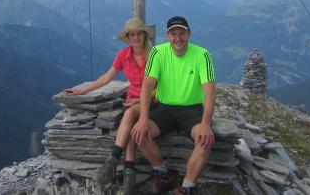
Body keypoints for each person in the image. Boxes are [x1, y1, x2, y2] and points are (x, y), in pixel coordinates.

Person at [62, 17, 154, 194]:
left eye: (138, 34)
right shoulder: (124, 55)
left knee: (127, 116)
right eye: (132, 35)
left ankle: (113, 161)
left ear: (144, 36)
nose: (135, 38)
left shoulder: (154, 55)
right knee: (131, 124)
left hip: (153, 100)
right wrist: (83, 91)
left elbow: (163, 84)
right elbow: (107, 77)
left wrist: (142, 100)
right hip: (133, 100)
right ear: (128, 38)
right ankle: (129, 177)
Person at [131, 16, 216, 195]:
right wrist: (143, 119)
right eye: (173, 33)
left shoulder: (202, 55)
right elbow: (146, 87)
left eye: (182, 33)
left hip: (192, 110)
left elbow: (209, 92)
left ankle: (187, 187)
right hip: (165, 108)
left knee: (205, 141)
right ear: (167, 35)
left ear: (189, 34)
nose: (178, 38)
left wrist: (206, 124)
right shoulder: (158, 52)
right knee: (139, 134)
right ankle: (163, 174)